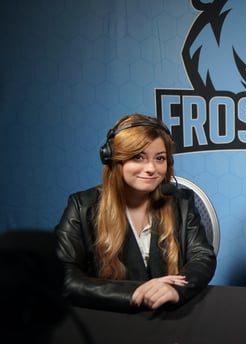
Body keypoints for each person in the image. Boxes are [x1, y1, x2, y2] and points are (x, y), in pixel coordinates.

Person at [55, 114, 216, 312]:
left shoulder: (181, 202)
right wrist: (135, 291)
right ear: (114, 159)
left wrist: (175, 290)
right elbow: (63, 276)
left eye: (160, 158)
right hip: (111, 317)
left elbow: (202, 256)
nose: (151, 168)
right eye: (138, 157)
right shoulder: (81, 206)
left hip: (168, 316)